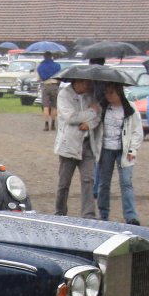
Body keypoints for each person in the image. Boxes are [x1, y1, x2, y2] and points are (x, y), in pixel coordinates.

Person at [92, 80, 142, 224]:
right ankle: (103, 213)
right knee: (103, 183)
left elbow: (137, 131)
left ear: (119, 92)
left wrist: (133, 149)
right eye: (106, 93)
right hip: (106, 149)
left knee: (126, 182)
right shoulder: (103, 107)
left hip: (124, 151)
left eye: (111, 93)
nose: (108, 96)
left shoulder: (130, 108)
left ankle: (131, 216)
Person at [53, 75, 102, 216]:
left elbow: (98, 116)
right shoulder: (64, 95)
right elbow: (71, 117)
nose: (89, 86)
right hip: (69, 143)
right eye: (86, 83)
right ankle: (60, 211)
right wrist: (91, 112)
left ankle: (88, 214)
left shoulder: (91, 95)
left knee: (88, 180)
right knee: (64, 182)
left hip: (87, 144)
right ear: (77, 82)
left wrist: (89, 124)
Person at [36, 52, 62, 132]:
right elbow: (60, 77)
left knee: (46, 106)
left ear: (44, 57)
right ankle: (53, 124)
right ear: (51, 56)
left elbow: (38, 79)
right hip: (54, 86)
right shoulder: (57, 66)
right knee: (54, 106)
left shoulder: (40, 67)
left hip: (45, 86)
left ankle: (46, 125)